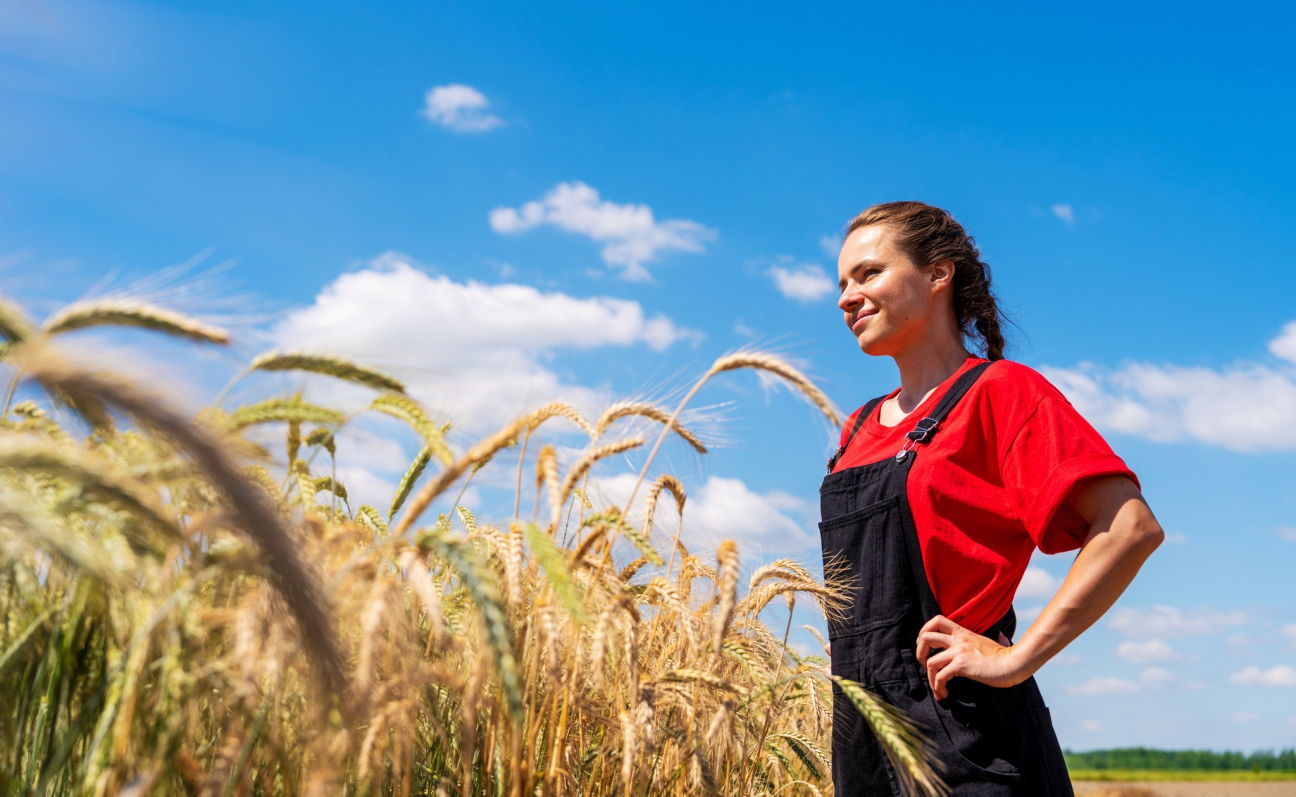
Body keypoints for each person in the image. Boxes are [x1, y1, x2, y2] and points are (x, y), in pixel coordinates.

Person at [822, 201, 1164, 796]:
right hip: (864, 737)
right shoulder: (857, 428)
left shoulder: (1001, 391)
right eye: (842, 284)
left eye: (869, 273)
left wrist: (1015, 659)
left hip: (968, 735)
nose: (847, 298)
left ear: (938, 273)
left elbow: (1130, 527)